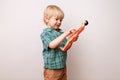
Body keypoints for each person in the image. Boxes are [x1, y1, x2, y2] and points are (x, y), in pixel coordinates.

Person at [40, 5, 78, 80]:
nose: (59, 22)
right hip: (52, 69)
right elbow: (52, 45)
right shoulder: (45, 34)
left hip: (62, 66)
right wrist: (66, 33)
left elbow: (65, 47)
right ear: (47, 19)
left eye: (61, 20)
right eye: (56, 19)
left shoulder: (60, 33)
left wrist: (72, 40)